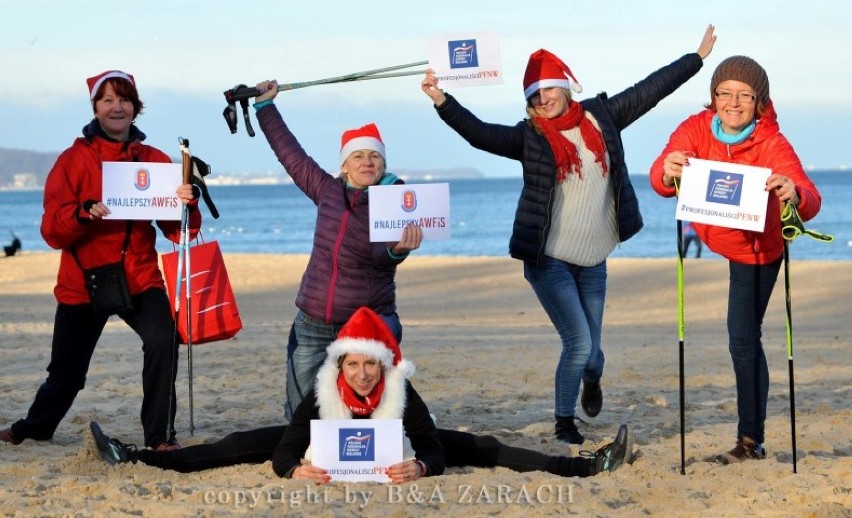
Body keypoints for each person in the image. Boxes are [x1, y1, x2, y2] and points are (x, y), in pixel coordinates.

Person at [421, 26, 717, 443]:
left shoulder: (603, 117)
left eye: (548, 89)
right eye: (534, 95)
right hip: (548, 259)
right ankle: (563, 421)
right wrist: (442, 100)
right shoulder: (529, 137)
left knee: (592, 357)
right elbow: (480, 133)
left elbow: (651, 89)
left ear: (565, 86)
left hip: (594, 257)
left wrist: (696, 58)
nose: (543, 99)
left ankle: (592, 380)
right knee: (577, 344)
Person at [90, 306, 633, 480]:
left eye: (372, 365)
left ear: (384, 364)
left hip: (388, 444)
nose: (364, 375)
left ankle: (585, 468)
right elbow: (285, 448)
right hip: (331, 446)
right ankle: (135, 456)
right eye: (354, 365)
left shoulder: (400, 388)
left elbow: (433, 447)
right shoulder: (325, 387)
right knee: (241, 442)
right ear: (341, 362)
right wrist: (293, 469)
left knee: (481, 446)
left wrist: (422, 468)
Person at [0, 70, 201, 451]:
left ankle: (160, 438)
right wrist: (80, 214)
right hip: (83, 281)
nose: (117, 106)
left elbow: (179, 232)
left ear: (135, 108)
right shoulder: (72, 160)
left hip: (140, 276)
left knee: (163, 341)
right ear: (94, 107)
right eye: (107, 99)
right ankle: (35, 429)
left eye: (124, 99)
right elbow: (50, 231)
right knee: (67, 374)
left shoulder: (155, 161)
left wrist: (186, 202)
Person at [649, 56, 822, 463]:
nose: (733, 102)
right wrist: (667, 170)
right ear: (713, 97)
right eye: (725, 92)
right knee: (742, 337)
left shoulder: (771, 142)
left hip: (758, 249)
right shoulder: (694, 127)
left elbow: (811, 197)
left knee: (742, 337)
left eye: (745, 95)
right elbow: (661, 176)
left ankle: (751, 441)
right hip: (718, 235)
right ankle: (751, 439)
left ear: (759, 102)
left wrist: (792, 192)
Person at [251, 80, 423, 421]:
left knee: (368, 401)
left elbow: (379, 259)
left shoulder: (393, 200)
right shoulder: (327, 190)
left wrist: (397, 251)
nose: (367, 162)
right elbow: (291, 155)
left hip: (366, 317)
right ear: (344, 165)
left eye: (375, 156)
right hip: (313, 317)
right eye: (358, 155)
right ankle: (300, 448)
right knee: (300, 404)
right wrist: (265, 106)